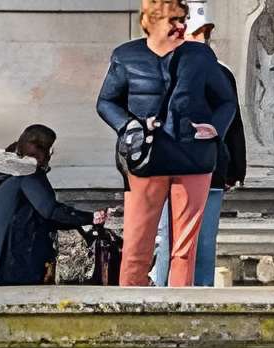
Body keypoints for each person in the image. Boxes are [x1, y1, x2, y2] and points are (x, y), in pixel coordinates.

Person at [97, 0, 236, 289]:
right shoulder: (126, 56)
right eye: (173, 20)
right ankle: (129, 310)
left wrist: (215, 129)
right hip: (145, 158)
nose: (181, 26)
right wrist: (130, 126)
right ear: (151, 21)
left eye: (182, 19)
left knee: (185, 249)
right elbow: (106, 101)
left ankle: (179, 311)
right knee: (137, 245)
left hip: (194, 156)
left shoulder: (200, 56)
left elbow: (226, 101)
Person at [151, 2, 243, 288]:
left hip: (204, 167)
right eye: (198, 32)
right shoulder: (164, 66)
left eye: (204, 32)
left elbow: (233, 124)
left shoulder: (216, 70)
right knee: (176, 242)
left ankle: (195, 299)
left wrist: (234, 168)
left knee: (195, 245)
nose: (202, 39)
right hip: (179, 167)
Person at [0, 122, 106, 286]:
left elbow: (42, 215)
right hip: (10, 266)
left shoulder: (10, 174)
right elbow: (50, 211)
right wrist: (90, 217)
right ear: (43, 151)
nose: (51, 154)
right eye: (50, 149)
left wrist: (83, 219)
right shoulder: (28, 174)